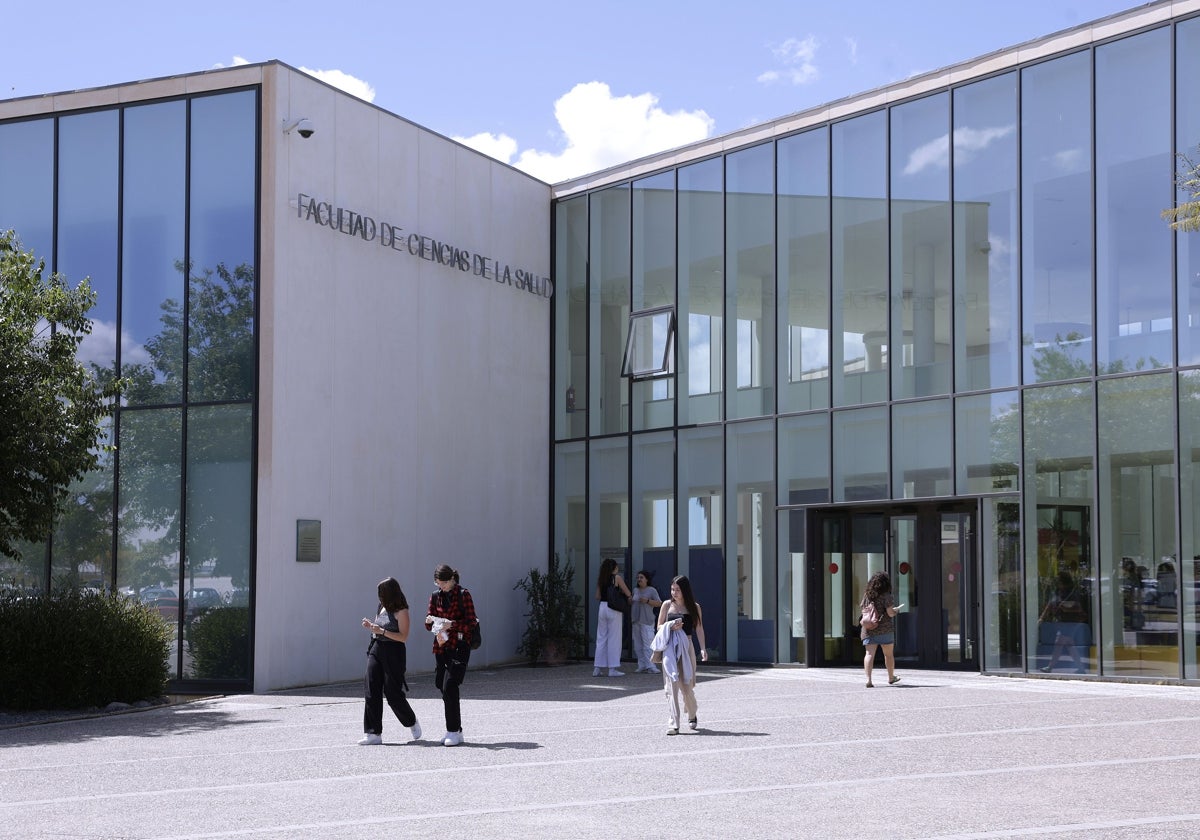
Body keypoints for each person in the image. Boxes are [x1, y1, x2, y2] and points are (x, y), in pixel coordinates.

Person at [358, 577, 421, 745]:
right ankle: (373, 733)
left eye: (382, 593)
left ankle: (411, 721)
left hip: (394, 651)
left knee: (392, 693)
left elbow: (403, 637)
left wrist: (383, 632)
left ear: (390, 593)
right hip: (377, 648)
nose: (379, 597)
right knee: (371, 687)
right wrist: (371, 627)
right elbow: (378, 628)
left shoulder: (402, 611)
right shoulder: (382, 606)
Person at [424, 564, 477, 746]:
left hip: (460, 645)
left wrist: (451, 625)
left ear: (452, 579)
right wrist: (431, 622)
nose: (441, 587)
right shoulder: (435, 596)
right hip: (441, 645)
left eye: (444, 583)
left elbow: (471, 623)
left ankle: (452, 730)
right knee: (441, 684)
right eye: (438, 583)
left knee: (450, 686)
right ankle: (457, 730)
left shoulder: (464, 595)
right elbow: (429, 621)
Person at [654, 574, 707, 734]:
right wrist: (670, 626)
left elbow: (699, 628)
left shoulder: (694, 607)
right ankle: (673, 723)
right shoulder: (666, 605)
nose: (674, 592)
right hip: (670, 646)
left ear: (685, 590)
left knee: (686, 686)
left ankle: (692, 713)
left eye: (677, 590)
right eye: (672, 589)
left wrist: (703, 648)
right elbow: (658, 626)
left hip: (687, 646)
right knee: (670, 685)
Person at [859, 571, 904, 688]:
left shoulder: (867, 595)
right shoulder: (886, 596)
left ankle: (868, 680)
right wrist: (896, 610)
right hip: (885, 629)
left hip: (869, 629)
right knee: (888, 655)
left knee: (869, 654)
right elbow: (890, 613)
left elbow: (863, 609)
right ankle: (891, 677)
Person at [1038, 570, 1088, 674]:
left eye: (1058, 580)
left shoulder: (1070, 592)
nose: (1057, 582)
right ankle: (1080, 668)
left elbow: (1077, 607)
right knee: (1069, 646)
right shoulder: (1058, 591)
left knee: (1058, 644)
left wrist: (1065, 606)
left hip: (1069, 622)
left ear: (1063, 581)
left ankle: (1050, 667)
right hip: (1063, 622)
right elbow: (1050, 604)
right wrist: (1042, 617)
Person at [593, 558, 631, 677]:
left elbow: (597, 596)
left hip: (602, 607)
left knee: (601, 637)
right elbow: (628, 593)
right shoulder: (617, 578)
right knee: (614, 638)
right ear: (614, 567)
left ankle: (597, 668)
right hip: (614, 608)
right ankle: (612, 669)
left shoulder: (601, 579)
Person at [631, 570, 662, 674]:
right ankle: (642, 665)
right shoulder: (635, 590)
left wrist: (648, 601)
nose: (639, 579)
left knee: (648, 644)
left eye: (641, 577)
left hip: (647, 620)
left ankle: (651, 666)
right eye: (638, 577)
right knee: (638, 645)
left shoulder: (651, 590)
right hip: (636, 620)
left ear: (647, 579)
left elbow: (659, 603)